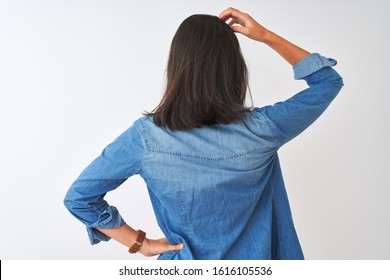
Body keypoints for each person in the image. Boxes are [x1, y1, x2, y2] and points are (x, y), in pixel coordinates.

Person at [64, 7, 343, 260]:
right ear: (234, 68)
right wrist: (266, 36)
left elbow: (80, 197)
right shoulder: (265, 128)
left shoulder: (146, 138)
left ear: (176, 67)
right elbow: (327, 82)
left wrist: (140, 243)